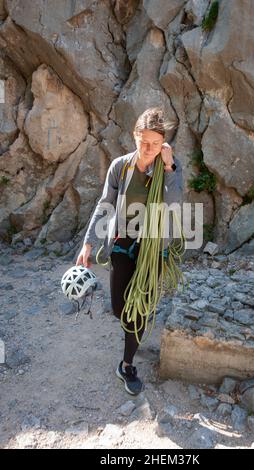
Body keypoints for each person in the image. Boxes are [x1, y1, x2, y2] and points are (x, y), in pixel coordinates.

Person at [76, 107, 183, 395]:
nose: (149, 150)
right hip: (122, 242)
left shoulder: (170, 167)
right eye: (144, 142)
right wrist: (88, 242)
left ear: (163, 144)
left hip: (153, 248)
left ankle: (126, 364)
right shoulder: (120, 166)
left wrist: (170, 167)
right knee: (120, 308)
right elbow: (104, 204)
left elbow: (174, 205)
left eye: (156, 144)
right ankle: (134, 330)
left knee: (140, 308)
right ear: (134, 137)